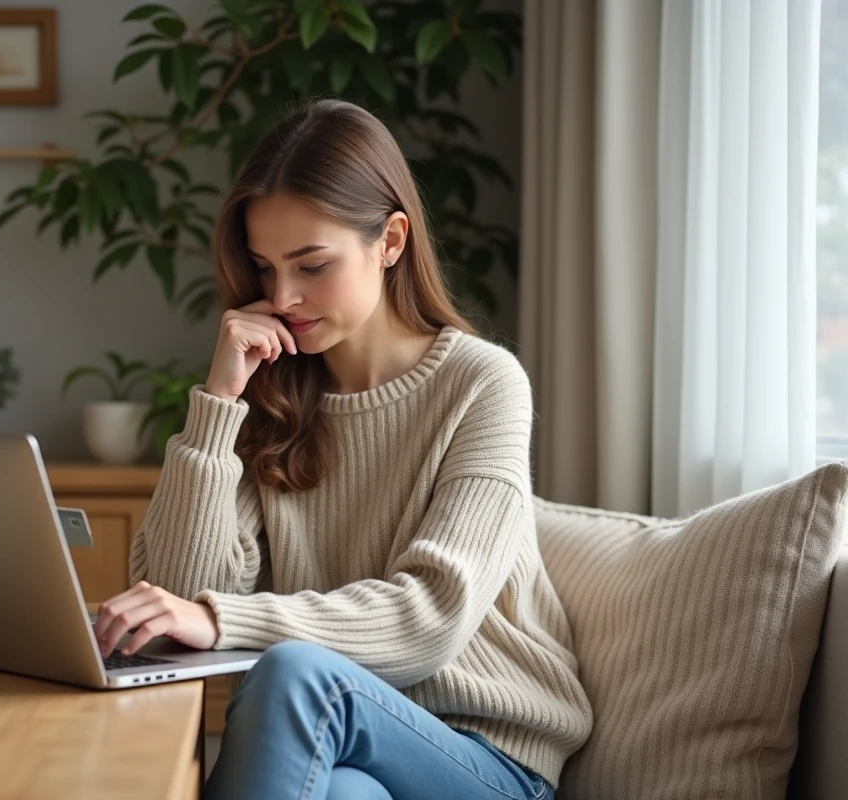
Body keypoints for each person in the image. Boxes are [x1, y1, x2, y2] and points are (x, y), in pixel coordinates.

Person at [91, 97, 592, 800]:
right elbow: (174, 601)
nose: (284, 295)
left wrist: (219, 618)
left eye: (312, 265)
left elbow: (431, 618)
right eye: (264, 269)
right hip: (342, 750)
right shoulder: (271, 394)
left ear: (390, 241)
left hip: (487, 757)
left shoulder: (482, 384)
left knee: (294, 672)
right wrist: (219, 406)